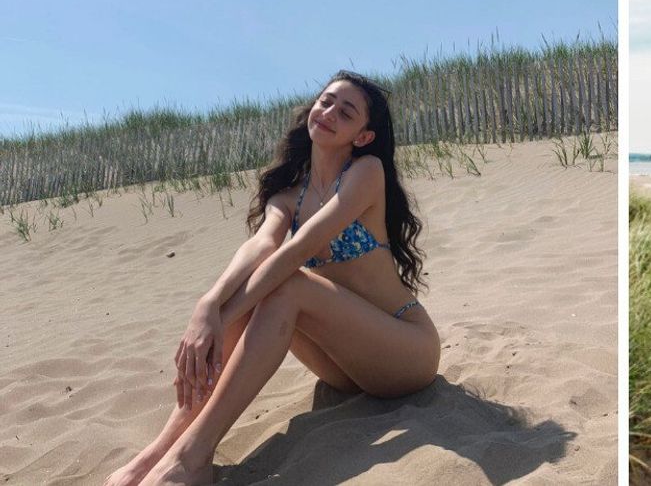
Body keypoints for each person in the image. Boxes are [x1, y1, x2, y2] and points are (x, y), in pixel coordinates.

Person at [107, 71, 441, 486]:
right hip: (346, 369)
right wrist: (208, 307)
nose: (330, 112)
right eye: (326, 101)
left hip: (406, 353)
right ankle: (157, 454)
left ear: (363, 136)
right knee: (262, 292)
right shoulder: (289, 195)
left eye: (346, 111)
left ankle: (192, 458)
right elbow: (261, 247)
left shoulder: (365, 172)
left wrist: (220, 318)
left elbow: (298, 251)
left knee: (287, 284)